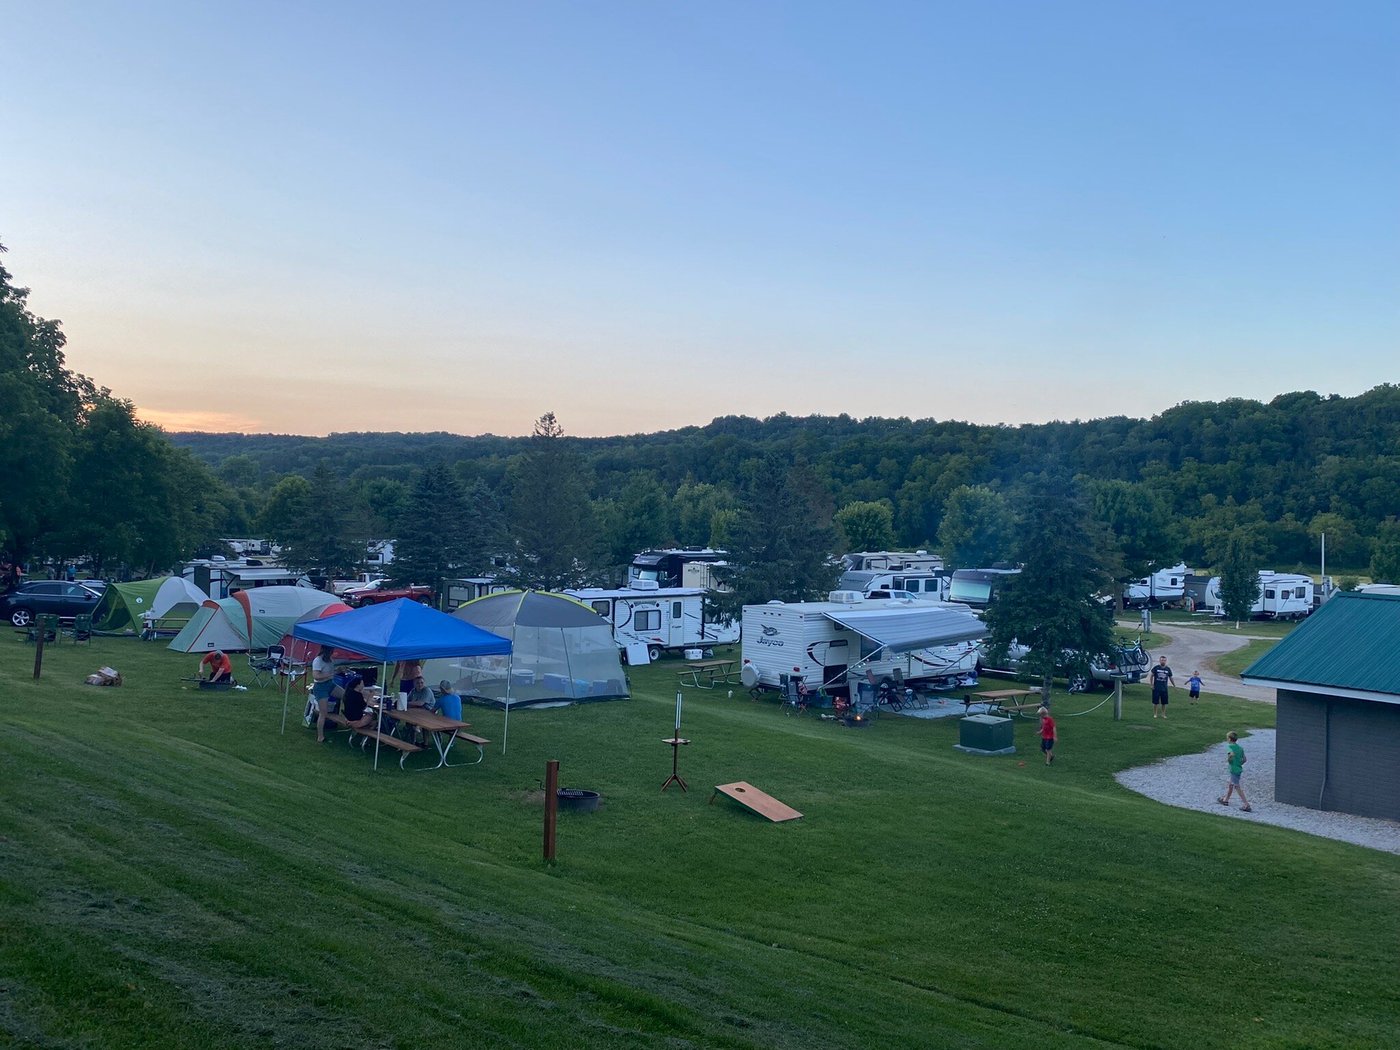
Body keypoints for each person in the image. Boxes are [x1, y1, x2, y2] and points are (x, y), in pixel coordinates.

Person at [1218, 731, 1252, 811]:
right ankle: (1225, 800)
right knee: (1231, 784)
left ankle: (1246, 804)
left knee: (1236, 786)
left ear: (1229, 739)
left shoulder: (1230, 747)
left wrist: (1229, 760)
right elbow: (1244, 759)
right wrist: (1238, 763)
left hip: (1233, 769)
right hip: (1239, 769)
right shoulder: (1240, 748)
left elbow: (1231, 754)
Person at [311, 644, 336, 743]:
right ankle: (320, 737)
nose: (332, 653)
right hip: (320, 687)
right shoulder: (318, 660)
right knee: (323, 712)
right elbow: (316, 676)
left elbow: (331, 672)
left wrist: (338, 671)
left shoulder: (330, 659)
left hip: (330, 684)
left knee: (346, 695)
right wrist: (329, 675)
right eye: (331, 651)